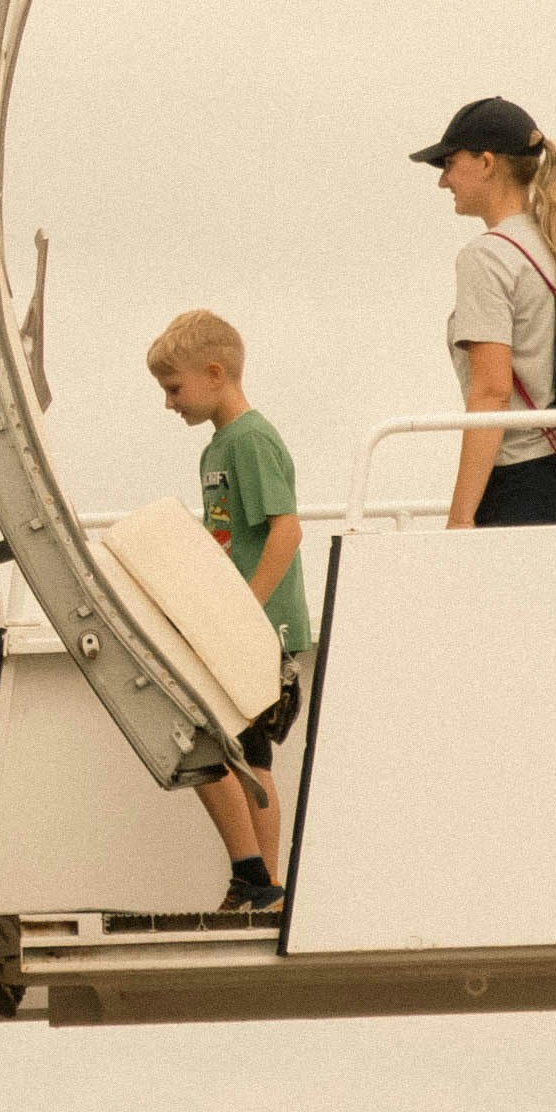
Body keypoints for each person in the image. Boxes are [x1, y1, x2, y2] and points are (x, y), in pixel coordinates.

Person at [146, 314, 314, 907]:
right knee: (238, 752)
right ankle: (261, 884)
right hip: (234, 626)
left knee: (228, 749)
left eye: (174, 388)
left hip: (258, 629)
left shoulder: (249, 440)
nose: (169, 404)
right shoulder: (217, 447)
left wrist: (244, 608)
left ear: (215, 374)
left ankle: (258, 879)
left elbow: (286, 530)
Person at [419, 96, 556, 528]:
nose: (443, 181)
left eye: (449, 163)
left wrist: (460, 517)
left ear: (486, 162)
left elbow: (491, 393)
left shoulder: (487, 257)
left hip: (522, 480)